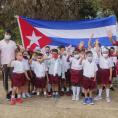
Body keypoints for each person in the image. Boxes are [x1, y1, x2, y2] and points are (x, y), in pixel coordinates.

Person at [0, 29, 17, 100]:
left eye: (9, 34)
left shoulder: (13, 43)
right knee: (5, 79)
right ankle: (7, 93)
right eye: (7, 33)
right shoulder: (0, 42)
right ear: (4, 34)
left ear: (10, 35)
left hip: (12, 63)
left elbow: (16, 52)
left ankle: (13, 93)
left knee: (14, 78)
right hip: (4, 63)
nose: (8, 35)